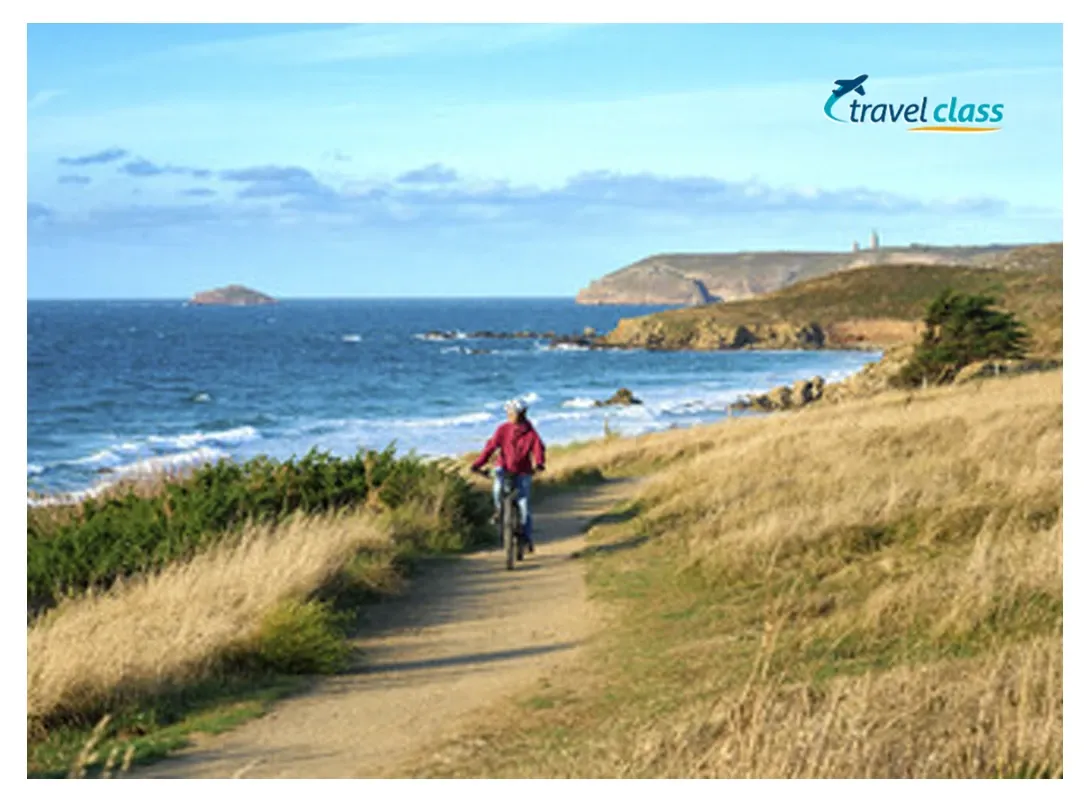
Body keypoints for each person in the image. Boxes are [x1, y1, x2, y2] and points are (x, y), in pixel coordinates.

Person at [471, 397, 546, 552]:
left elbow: (538, 448)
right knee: (498, 489)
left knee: (524, 505)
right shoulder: (502, 429)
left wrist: (539, 463)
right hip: (503, 467)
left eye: (512, 412)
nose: (509, 415)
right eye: (508, 412)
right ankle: (500, 510)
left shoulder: (530, 432)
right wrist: (478, 464)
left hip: (523, 470)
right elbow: (490, 448)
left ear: (521, 414)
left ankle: (526, 538)